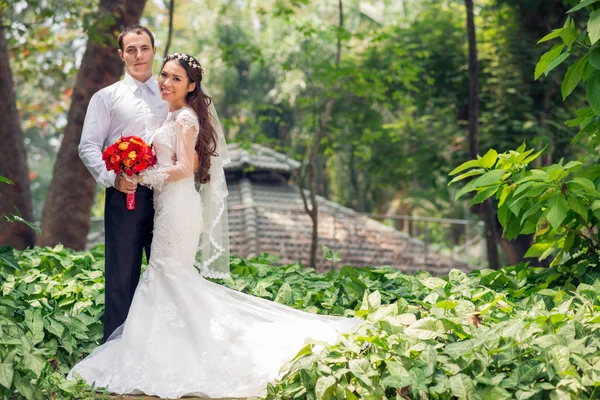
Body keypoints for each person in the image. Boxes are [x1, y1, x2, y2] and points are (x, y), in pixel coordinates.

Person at [68, 53, 360, 399]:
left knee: (166, 273)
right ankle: (170, 348)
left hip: (178, 207)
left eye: (176, 78)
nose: (166, 82)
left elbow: (185, 167)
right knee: (167, 276)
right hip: (167, 206)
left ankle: (188, 351)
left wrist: (142, 175)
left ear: (191, 86)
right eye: (164, 75)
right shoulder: (172, 114)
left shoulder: (186, 117)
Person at [79, 25, 169, 342]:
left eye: (144, 48)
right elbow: (87, 145)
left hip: (168, 197)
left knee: (168, 274)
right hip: (125, 196)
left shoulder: (171, 94)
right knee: (122, 277)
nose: (138, 55)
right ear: (121, 55)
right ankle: (116, 354)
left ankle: (163, 350)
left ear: (154, 50)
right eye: (131, 50)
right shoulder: (106, 98)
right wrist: (112, 178)